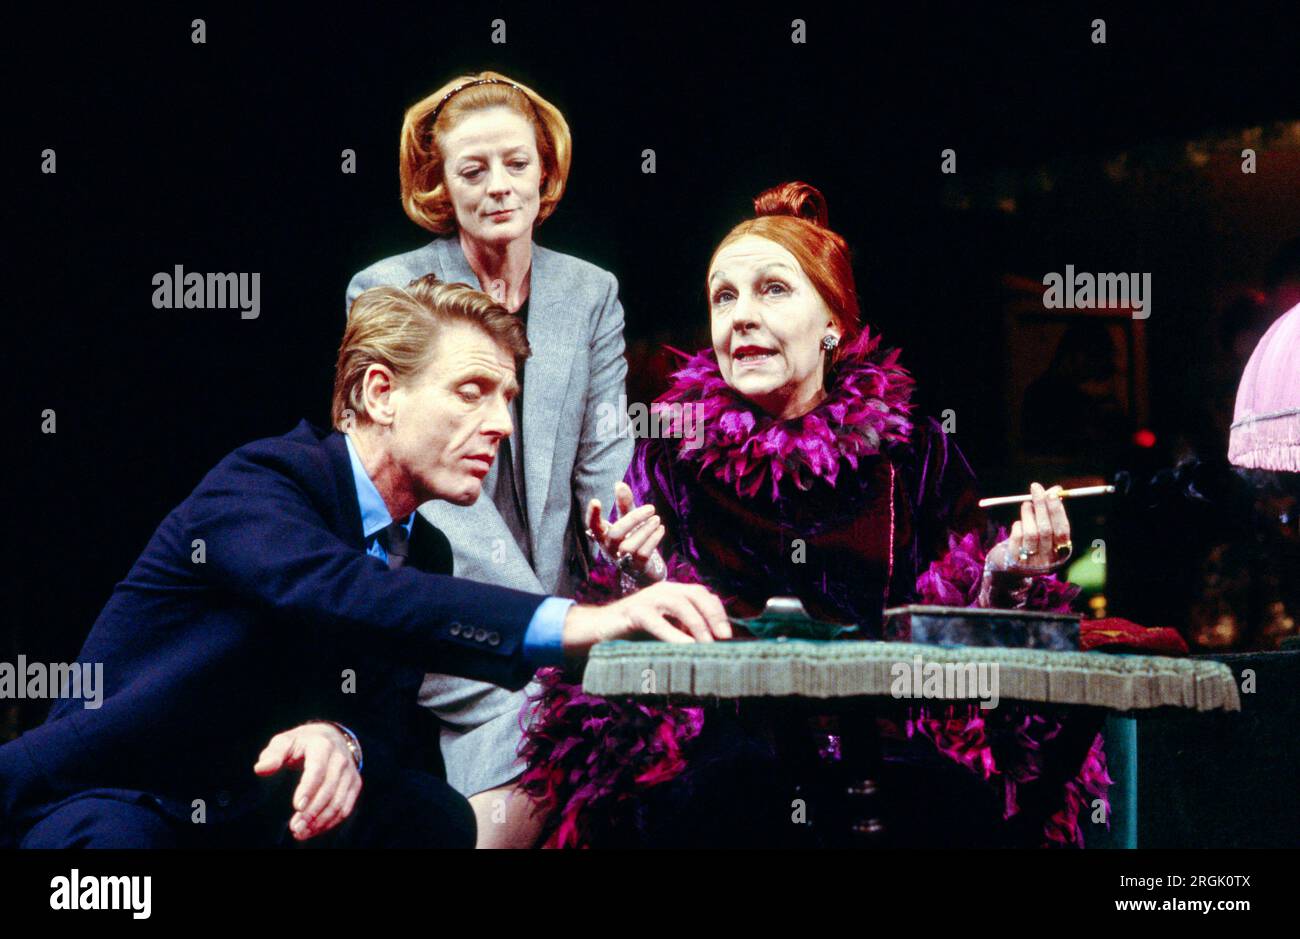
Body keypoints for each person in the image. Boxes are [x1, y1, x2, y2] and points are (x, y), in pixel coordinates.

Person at [0, 276, 728, 849]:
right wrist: (580, 621)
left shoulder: (426, 544)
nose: (502, 423)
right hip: (119, 796)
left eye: (508, 398)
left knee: (426, 814)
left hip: (254, 809)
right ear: (381, 392)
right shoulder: (264, 480)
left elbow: (384, 726)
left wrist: (339, 739)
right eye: (473, 390)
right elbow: (339, 591)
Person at [520, 183, 1109, 848]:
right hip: (723, 744)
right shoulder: (670, 453)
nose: (739, 316)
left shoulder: (914, 448)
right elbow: (622, 636)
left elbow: (962, 619)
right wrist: (646, 577)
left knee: (950, 804)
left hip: (894, 739)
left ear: (834, 323)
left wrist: (1006, 569)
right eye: (723, 295)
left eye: (772, 289)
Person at [346, 71, 634, 846]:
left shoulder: (592, 291)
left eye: (515, 163)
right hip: (446, 610)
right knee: (550, 717)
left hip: (574, 606)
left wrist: (625, 543)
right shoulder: (386, 286)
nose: (498, 186)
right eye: (472, 170)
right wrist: (550, 629)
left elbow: (606, 466)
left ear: (546, 168)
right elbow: (420, 494)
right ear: (440, 184)